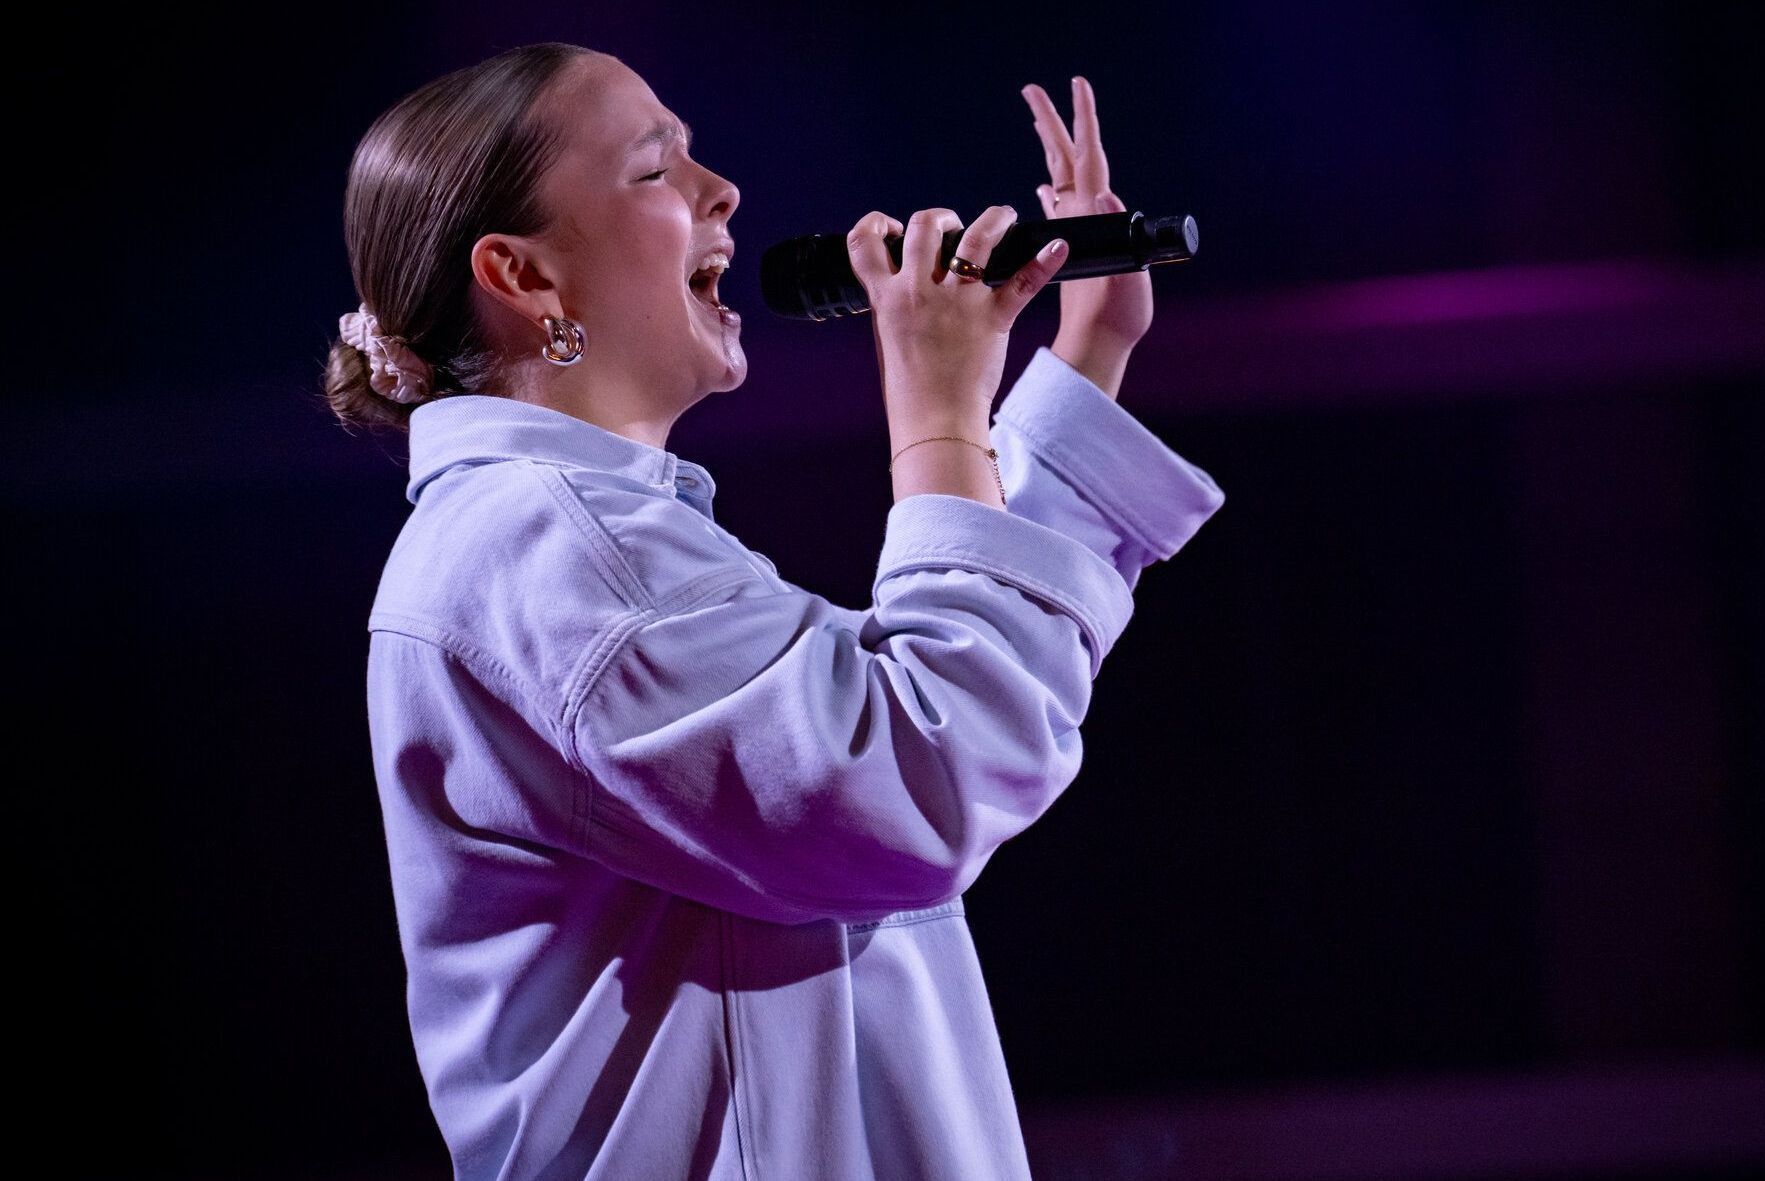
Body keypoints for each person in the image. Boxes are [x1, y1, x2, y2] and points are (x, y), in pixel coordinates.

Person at [325, 41, 1224, 1180]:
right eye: (657, 170)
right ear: (523, 276)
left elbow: (935, 698)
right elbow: (926, 769)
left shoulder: (582, 533)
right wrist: (939, 412)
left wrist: (1088, 348)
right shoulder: (553, 548)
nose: (722, 191)